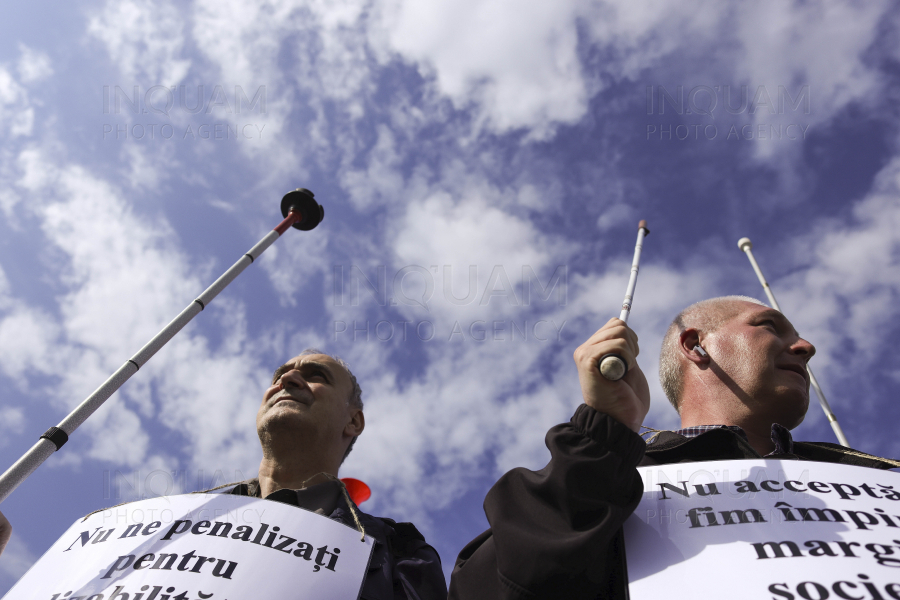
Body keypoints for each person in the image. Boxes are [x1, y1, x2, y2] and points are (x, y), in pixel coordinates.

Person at [448, 296, 900, 600]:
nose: (805, 346)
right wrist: (607, 436)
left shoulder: (875, 475)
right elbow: (495, 588)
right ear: (696, 345)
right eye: (769, 327)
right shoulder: (606, 473)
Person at [210, 349, 447, 600]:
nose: (287, 379)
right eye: (279, 375)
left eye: (317, 376)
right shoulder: (182, 517)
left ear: (353, 421)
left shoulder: (400, 551)